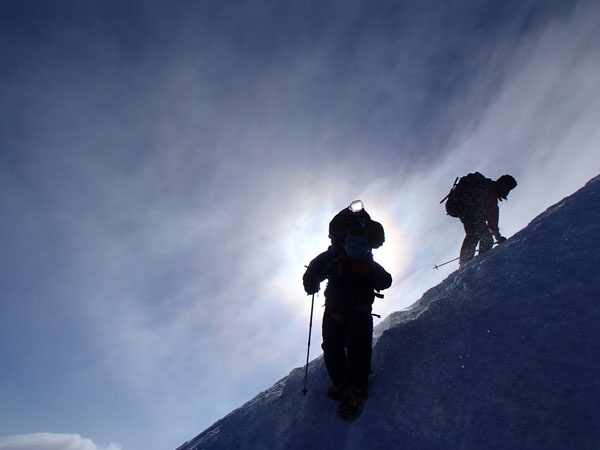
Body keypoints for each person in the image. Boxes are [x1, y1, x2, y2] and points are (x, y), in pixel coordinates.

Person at [302, 200, 392, 420]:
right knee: (358, 346)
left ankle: (344, 385)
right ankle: (354, 388)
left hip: (335, 306)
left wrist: (312, 284)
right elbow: (385, 280)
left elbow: (313, 273)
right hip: (360, 307)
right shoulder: (367, 261)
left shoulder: (333, 255)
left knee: (332, 346)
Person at [456, 173, 517, 266]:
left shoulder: (488, 189)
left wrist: (497, 236)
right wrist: (498, 236)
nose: (507, 191)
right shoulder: (490, 192)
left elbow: (492, 218)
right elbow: (492, 220)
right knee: (484, 238)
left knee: (475, 236)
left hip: (467, 212)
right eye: (507, 188)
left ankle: (468, 263)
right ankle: (476, 263)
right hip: (471, 213)